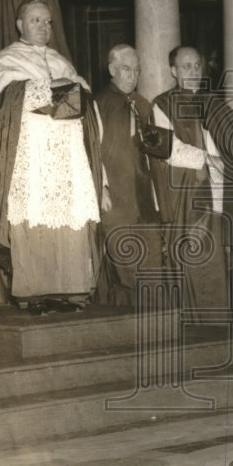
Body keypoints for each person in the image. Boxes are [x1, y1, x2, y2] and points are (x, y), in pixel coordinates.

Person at [0, 0, 103, 314]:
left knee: (68, 222)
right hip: (33, 157)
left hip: (66, 159)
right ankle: (35, 293)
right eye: (36, 20)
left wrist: (60, 87)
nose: (43, 26)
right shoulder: (7, 60)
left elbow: (83, 97)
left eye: (48, 21)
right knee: (35, 220)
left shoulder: (62, 60)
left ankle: (70, 290)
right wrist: (57, 89)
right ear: (20, 24)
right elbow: (8, 102)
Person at [152, 46, 233, 322]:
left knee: (219, 264)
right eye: (186, 66)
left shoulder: (213, 102)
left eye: (197, 65)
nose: (194, 72)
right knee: (195, 259)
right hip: (188, 195)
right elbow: (169, 150)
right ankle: (195, 327)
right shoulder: (162, 105)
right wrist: (209, 159)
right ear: (173, 71)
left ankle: (220, 326)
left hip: (219, 191)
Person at [93, 44, 162, 309]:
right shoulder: (99, 104)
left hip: (144, 201)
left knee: (152, 267)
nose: (132, 76)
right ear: (111, 70)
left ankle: (155, 332)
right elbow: (91, 150)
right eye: (126, 69)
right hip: (116, 201)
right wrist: (102, 188)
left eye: (136, 70)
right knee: (126, 272)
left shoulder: (143, 105)